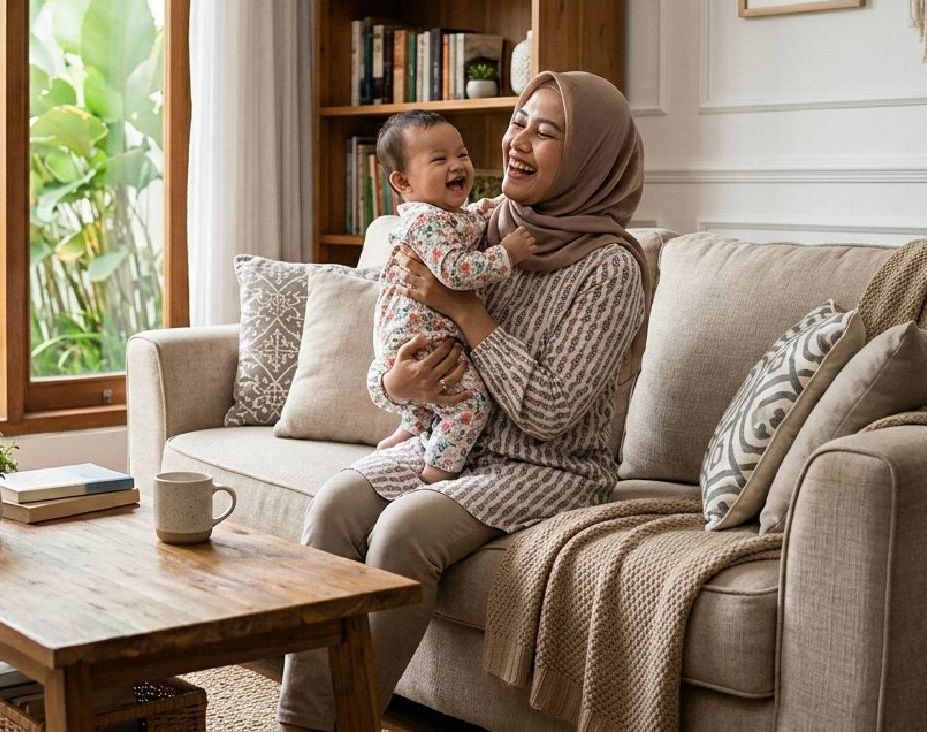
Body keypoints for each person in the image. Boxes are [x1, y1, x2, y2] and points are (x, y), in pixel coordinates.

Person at [277, 70, 650, 732]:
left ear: (592, 154)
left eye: (547, 131)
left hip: (548, 469)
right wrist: (395, 387)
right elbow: (392, 343)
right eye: (516, 122)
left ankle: (352, 720)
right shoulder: (467, 224)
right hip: (452, 442)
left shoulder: (609, 269)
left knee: (402, 531)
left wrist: (462, 306)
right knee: (335, 503)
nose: (517, 142)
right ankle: (300, 725)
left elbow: (550, 413)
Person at [366, 110, 536, 484]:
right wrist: (506, 253)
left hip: (413, 334)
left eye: (462, 154)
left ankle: (411, 429)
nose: (457, 165)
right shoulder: (425, 222)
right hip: (418, 338)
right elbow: (456, 272)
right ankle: (435, 474)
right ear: (403, 182)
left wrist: (483, 209)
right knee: (470, 403)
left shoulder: (443, 214)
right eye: (440, 159)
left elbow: (466, 223)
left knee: (437, 390)